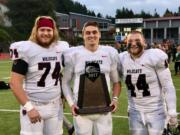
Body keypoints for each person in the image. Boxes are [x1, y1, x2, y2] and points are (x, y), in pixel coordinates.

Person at [9, 16, 68, 135]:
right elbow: (14, 83)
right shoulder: (26, 49)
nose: (45, 33)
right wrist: (29, 107)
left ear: (54, 31)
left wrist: (62, 93)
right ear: (36, 31)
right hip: (34, 105)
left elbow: (58, 74)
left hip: (55, 106)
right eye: (42, 30)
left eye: (49, 30)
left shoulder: (61, 48)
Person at [62, 21, 121, 135]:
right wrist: (71, 103)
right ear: (83, 35)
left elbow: (117, 82)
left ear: (99, 34)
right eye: (88, 33)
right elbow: (65, 83)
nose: (91, 35)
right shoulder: (73, 54)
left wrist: (115, 100)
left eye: (94, 32)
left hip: (104, 110)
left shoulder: (109, 53)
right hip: (81, 111)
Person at [118, 31, 177, 135]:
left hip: (156, 111)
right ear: (126, 43)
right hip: (134, 112)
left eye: (137, 40)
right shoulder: (121, 59)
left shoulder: (154, 56)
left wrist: (172, 111)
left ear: (144, 43)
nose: (133, 43)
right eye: (130, 41)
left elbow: (168, 86)